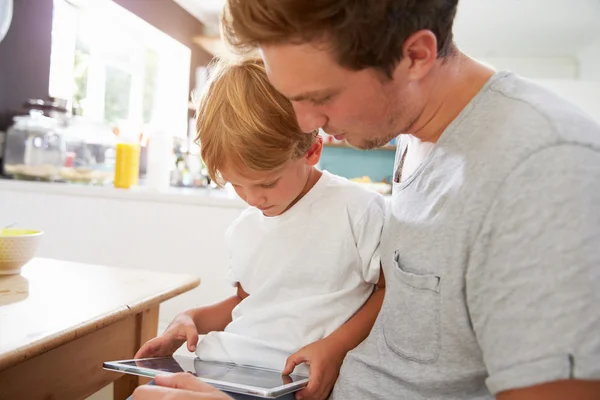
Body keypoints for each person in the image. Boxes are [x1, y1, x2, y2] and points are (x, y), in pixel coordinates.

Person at [134, 0, 600, 399]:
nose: (302, 123)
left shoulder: (543, 168)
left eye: (320, 96)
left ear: (415, 56)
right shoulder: (415, 135)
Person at [133, 58, 386, 400]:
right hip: (223, 365)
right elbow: (247, 301)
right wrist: (189, 317)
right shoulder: (245, 228)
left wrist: (335, 346)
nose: (253, 198)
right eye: (237, 185)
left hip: (286, 378)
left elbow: (389, 292)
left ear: (312, 150)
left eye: (267, 182)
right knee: (147, 395)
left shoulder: (357, 208)